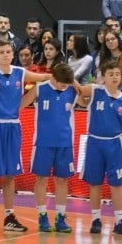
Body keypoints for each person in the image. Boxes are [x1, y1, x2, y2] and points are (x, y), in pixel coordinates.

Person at [0, 40, 50, 232]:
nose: (6, 54)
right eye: (2, 52)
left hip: (13, 126)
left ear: (13, 54)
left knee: (10, 174)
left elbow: (43, 78)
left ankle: (9, 215)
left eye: (9, 51)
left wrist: (63, 75)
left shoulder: (20, 73)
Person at [77, 60, 122, 236]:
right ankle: (96, 219)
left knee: (117, 184)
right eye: (111, 74)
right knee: (95, 183)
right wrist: (80, 96)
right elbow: (80, 92)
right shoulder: (95, 90)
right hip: (95, 142)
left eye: (117, 74)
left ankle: (119, 221)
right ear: (103, 77)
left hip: (114, 144)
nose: (115, 77)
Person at [21, 62, 76, 233]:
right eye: (62, 83)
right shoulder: (40, 88)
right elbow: (21, 104)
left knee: (62, 180)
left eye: (67, 83)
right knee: (41, 179)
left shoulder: (72, 90)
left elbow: (85, 99)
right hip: (43, 142)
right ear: (53, 77)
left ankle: (60, 216)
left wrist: (75, 83)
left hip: (65, 143)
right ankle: (42, 215)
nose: (64, 86)